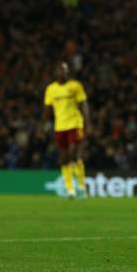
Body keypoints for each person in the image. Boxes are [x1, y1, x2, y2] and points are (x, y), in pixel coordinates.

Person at [43, 61, 90, 199]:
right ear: (56, 72)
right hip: (59, 126)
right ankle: (70, 190)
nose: (63, 72)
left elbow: (84, 105)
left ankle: (81, 186)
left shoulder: (75, 86)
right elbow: (47, 109)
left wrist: (88, 124)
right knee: (64, 159)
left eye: (65, 70)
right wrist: (42, 125)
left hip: (75, 124)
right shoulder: (51, 89)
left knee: (73, 153)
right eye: (61, 70)